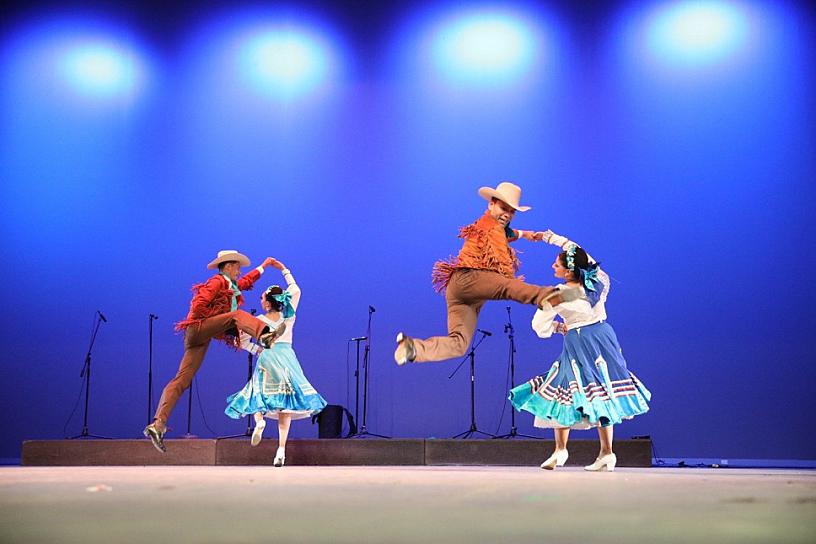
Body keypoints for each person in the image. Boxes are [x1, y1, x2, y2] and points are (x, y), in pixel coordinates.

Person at [509, 231, 651, 471]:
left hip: (579, 341)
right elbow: (578, 251)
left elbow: (538, 326)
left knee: (564, 389)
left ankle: (560, 450)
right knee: (602, 390)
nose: (552, 265)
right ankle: (606, 452)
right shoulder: (598, 281)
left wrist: (557, 327)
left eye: (557, 263)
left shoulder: (559, 294)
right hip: (604, 337)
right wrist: (547, 237)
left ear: (568, 272)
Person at [394, 182, 580, 365]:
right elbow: (503, 264)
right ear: (491, 204)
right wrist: (512, 281)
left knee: (459, 343)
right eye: (503, 208)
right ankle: (550, 296)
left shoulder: (492, 226)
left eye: (511, 211)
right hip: (471, 278)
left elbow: (508, 232)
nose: (507, 214)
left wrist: (526, 234)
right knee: (507, 285)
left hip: (461, 292)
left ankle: (413, 349)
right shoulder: (490, 227)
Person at [143, 250, 286, 453]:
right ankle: (264, 334)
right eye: (237, 266)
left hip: (200, 337)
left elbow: (245, 282)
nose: (239, 270)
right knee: (236, 315)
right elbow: (199, 304)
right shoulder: (217, 281)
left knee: (182, 379)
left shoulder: (230, 285)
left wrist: (264, 266)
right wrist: (214, 319)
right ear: (228, 266)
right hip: (199, 328)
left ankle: (158, 424)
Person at [225, 259, 327, 467]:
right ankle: (280, 451)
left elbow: (243, 342)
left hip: (268, 356)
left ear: (268, 302)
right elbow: (296, 290)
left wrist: (256, 349)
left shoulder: (258, 320)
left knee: (256, 394)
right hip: (286, 357)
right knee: (285, 405)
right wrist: (283, 270)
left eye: (262, 297)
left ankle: (259, 421)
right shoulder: (288, 317)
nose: (261, 300)